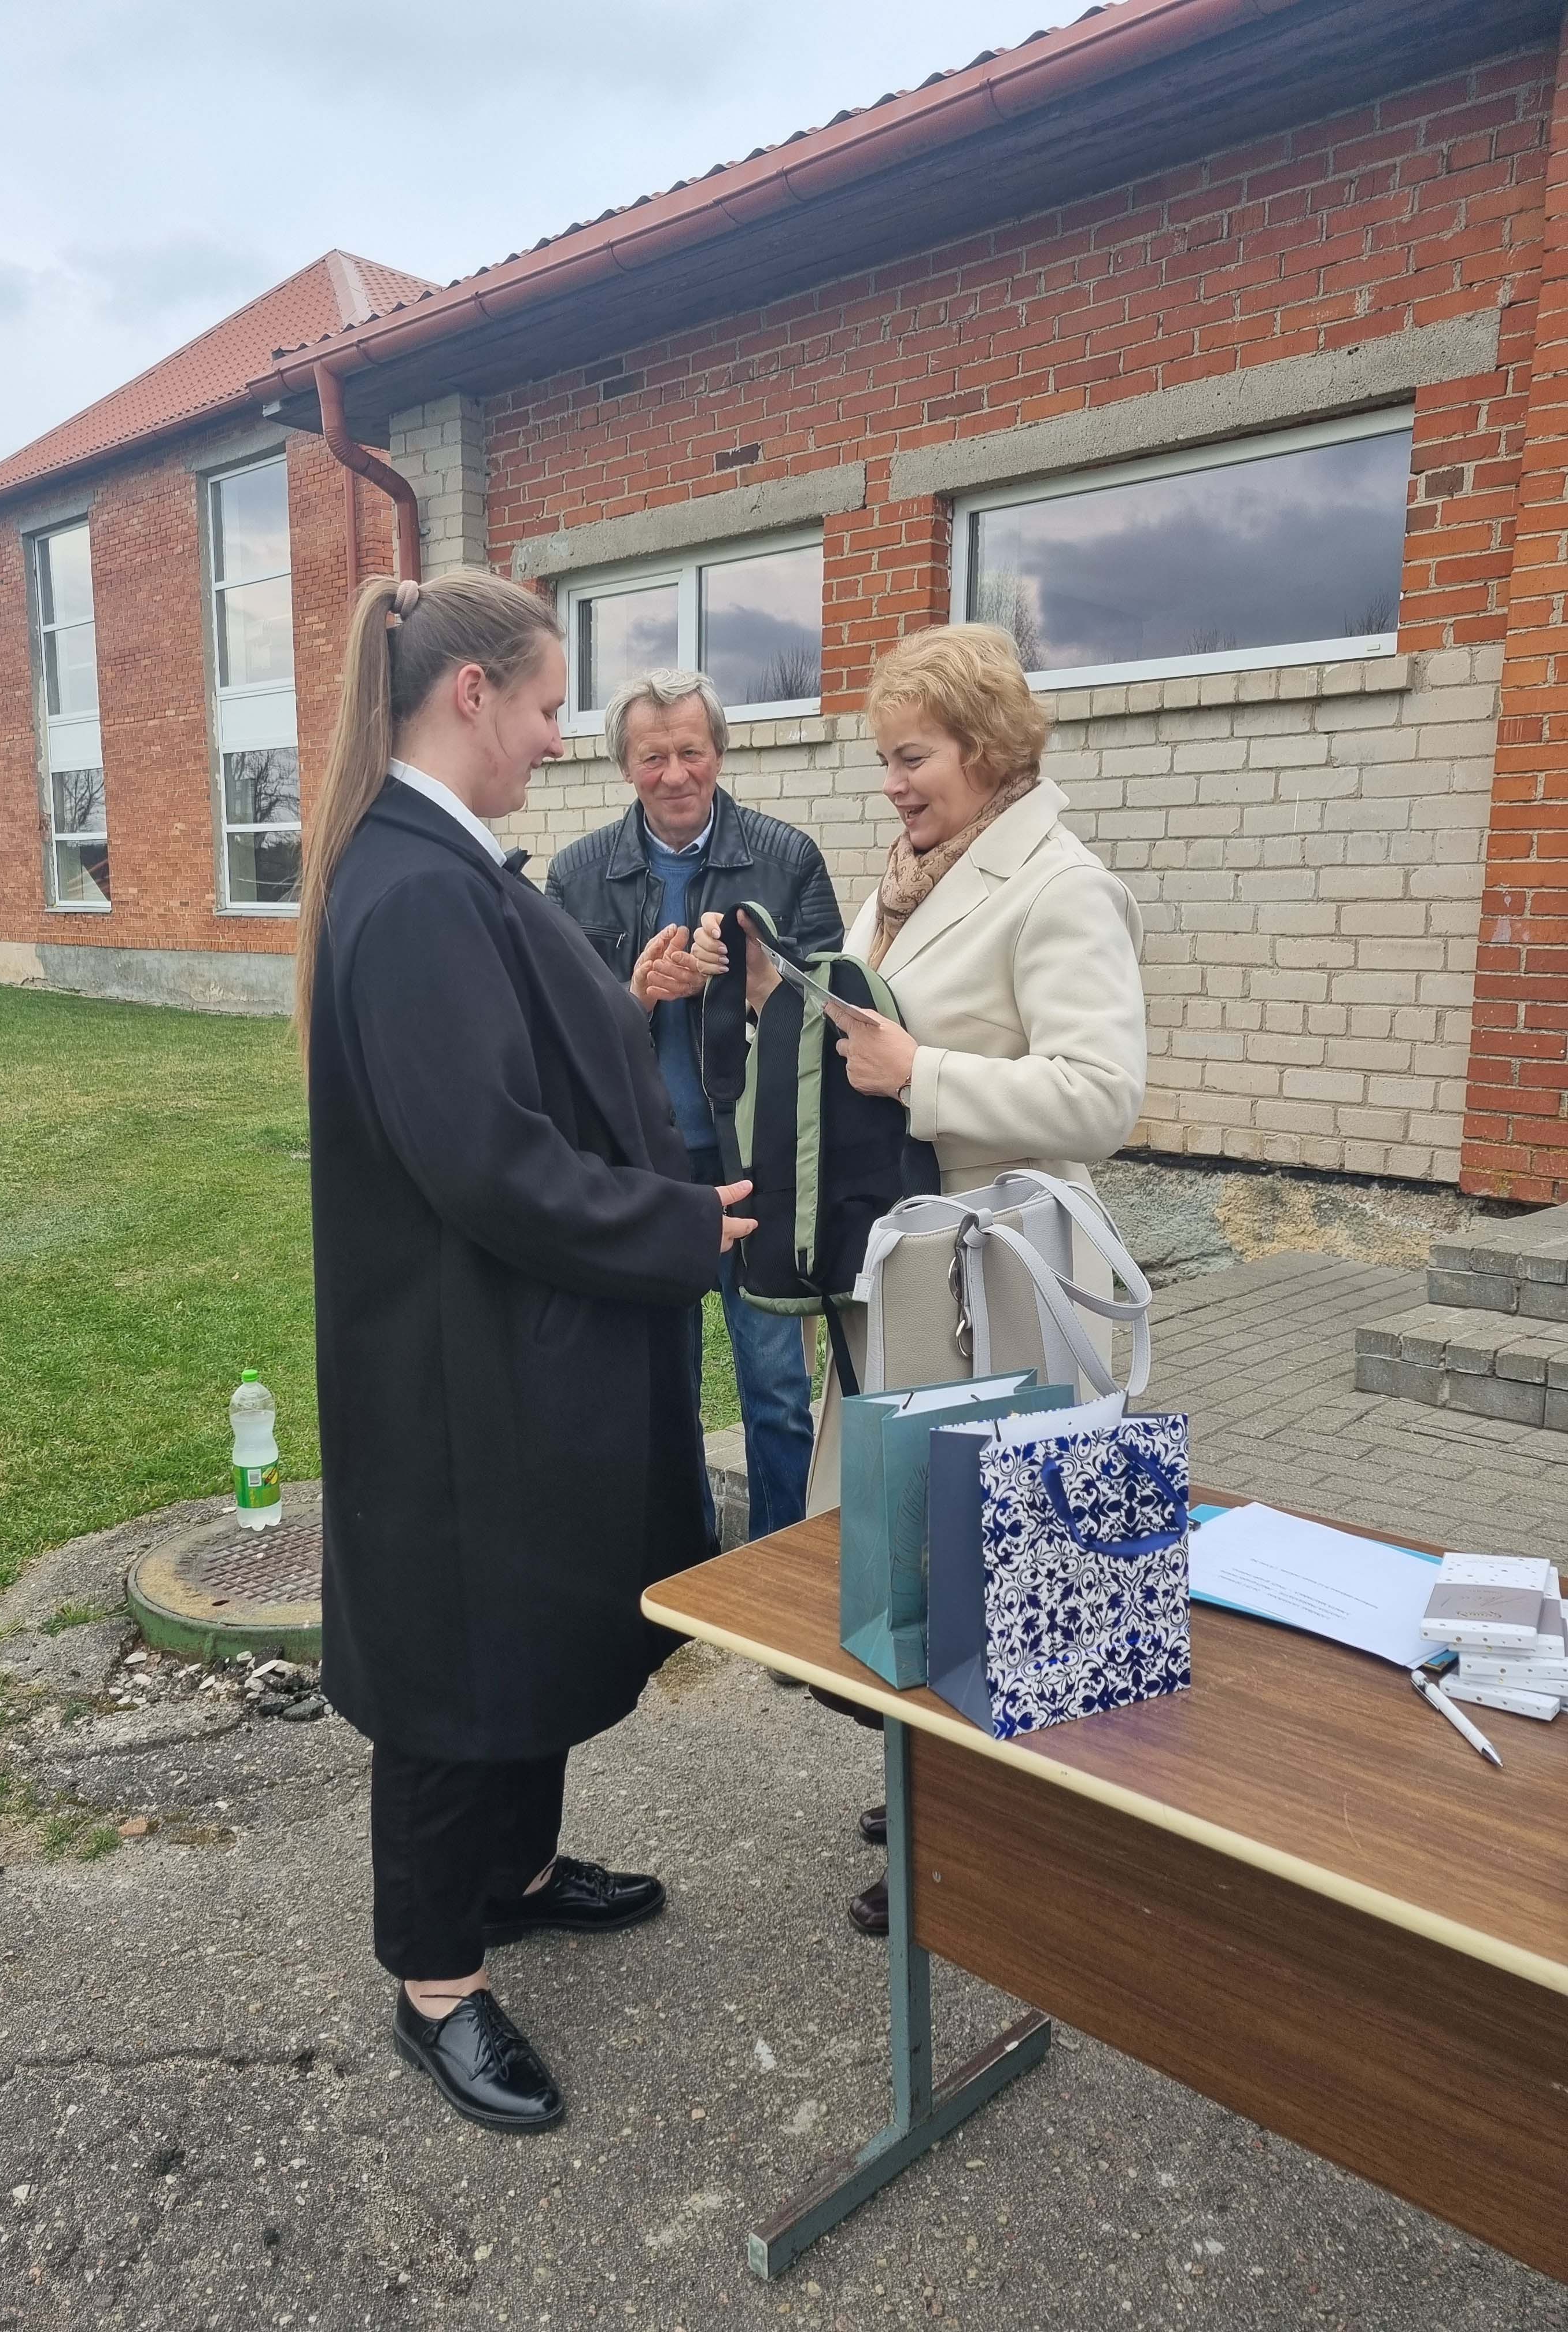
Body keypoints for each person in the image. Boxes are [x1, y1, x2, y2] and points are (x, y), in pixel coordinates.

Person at [299, 573, 755, 2132]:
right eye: (553, 705)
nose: (566, 739)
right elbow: (487, 1161)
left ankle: (521, 1869)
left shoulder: (447, 864)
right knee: (455, 1656)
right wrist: (675, 1225)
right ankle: (437, 1984)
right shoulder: (414, 885)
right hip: (452, 1362)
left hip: (506, 1339)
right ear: (471, 693)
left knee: (529, 1615)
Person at [693, 622, 1146, 1935]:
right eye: (885, 760)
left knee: (993, 1564)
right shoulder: (913, 877)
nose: (890, 785)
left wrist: (924, 1077)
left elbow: (1102, 1096)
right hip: (912, 1274)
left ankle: (983, 1839)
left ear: (988, 749)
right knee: (917, 1552)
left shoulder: (1061, 887)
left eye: (913, 758)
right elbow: (873, 1031)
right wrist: (773, 991)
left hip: (1003, 1279)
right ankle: (936, 1783)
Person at [547, 670, 844, 1544]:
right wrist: (634, 996)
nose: (675, 774)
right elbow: (555, 1035)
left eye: (691, 751)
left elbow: (836, 1022)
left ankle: (783, 1566)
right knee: (659, 1391)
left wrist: (757, 984)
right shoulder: (577, 875)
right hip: (648, 1172)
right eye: (654, 757)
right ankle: (687, 1562)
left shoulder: (788, 859)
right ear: (624, 765)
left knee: (778, 1391)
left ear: (719, 753)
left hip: (759, 1168)